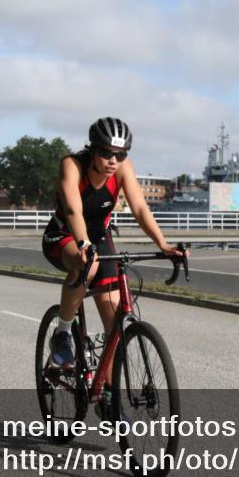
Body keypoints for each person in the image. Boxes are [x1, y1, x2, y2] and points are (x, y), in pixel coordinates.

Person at [41, 117, 183, 375]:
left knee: (114, 327)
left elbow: (140, 208)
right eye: (107, 153)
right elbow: (73, 210)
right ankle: (62, 334)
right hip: (64, 235)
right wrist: (83, 244)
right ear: (93, 148)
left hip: (100, 237)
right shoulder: (72, 165)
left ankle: (108, 399)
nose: (113, 161)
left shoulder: (122, 168)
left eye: (120, 154)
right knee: (89, 266)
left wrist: (163, 243)